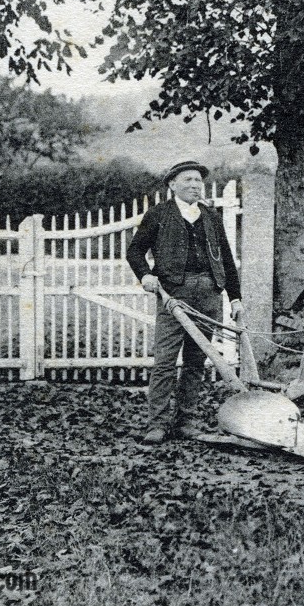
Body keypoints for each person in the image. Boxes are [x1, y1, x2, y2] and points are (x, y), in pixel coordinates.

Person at [127, 160, 243, 444]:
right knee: (165, 362)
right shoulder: (158, 215)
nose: (194, 185)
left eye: (198, 181)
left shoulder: (211, 217)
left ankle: (186, 422)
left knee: (195, 362)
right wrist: (145, 276)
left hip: (209, 296)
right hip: (173, 297)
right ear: (173, 185)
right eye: (188, 180)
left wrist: (235, 298)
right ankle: (157, 425)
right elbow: (135, 252)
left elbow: (227, 260)